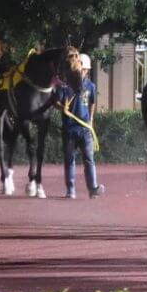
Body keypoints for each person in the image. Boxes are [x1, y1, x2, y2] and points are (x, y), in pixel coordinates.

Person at [58, 53, 105, 199]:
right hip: (70, 128)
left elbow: (92, 102)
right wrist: (62, 108)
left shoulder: (90, 85)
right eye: (81, 69)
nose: (83, 72)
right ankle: (70, 190)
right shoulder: (65, 86)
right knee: (69, 159)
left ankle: (93, 189)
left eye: (84, 70)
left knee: (89, 159)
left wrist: (91, 118)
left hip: (84, 129)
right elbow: (56, 101)